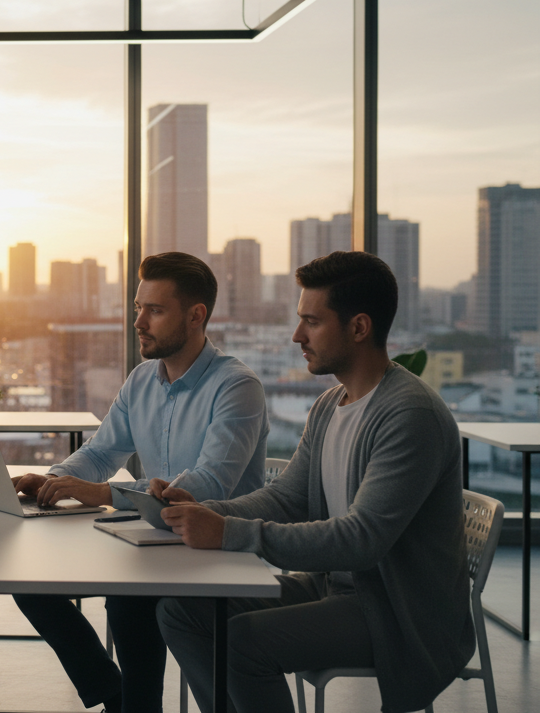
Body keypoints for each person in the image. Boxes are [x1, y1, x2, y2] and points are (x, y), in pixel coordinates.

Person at [155, 251, 474, 713]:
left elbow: (361, 540)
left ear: (359, 327)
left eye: (312, 321)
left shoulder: (410, 415)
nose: (297, 335)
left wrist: (227, 533)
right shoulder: (331, 404)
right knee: (181, 612)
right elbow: (290, 497)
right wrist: (201, 512)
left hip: (397, 612)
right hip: (337, 589)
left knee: (241, 642)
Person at [9, 252, 268, 713]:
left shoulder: (236, 386)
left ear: (196, 316)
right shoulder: (142, 380)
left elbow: (207, 485)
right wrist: (54, 479)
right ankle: (116, 694)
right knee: (29, 581)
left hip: (216, 549)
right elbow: (102, 452)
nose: (139, 322)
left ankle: (134, 704)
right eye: (137, 308)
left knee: (129, 602)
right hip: (149, 540)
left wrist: (102, 494)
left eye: (154, 310)